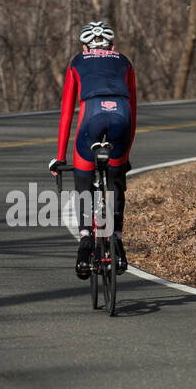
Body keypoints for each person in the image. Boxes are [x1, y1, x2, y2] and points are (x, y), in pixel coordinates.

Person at [48, 20, 137, 279]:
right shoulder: (124, 61)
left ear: (85, 46)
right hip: (121, 117)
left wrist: (60, 157)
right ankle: (117, 239)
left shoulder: (78, 61)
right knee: (116, 178)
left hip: (92, 117)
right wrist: (125, 156)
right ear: (112, 45)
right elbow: (133, 111)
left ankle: (86, 237)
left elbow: (66, 114)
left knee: (83, 176)